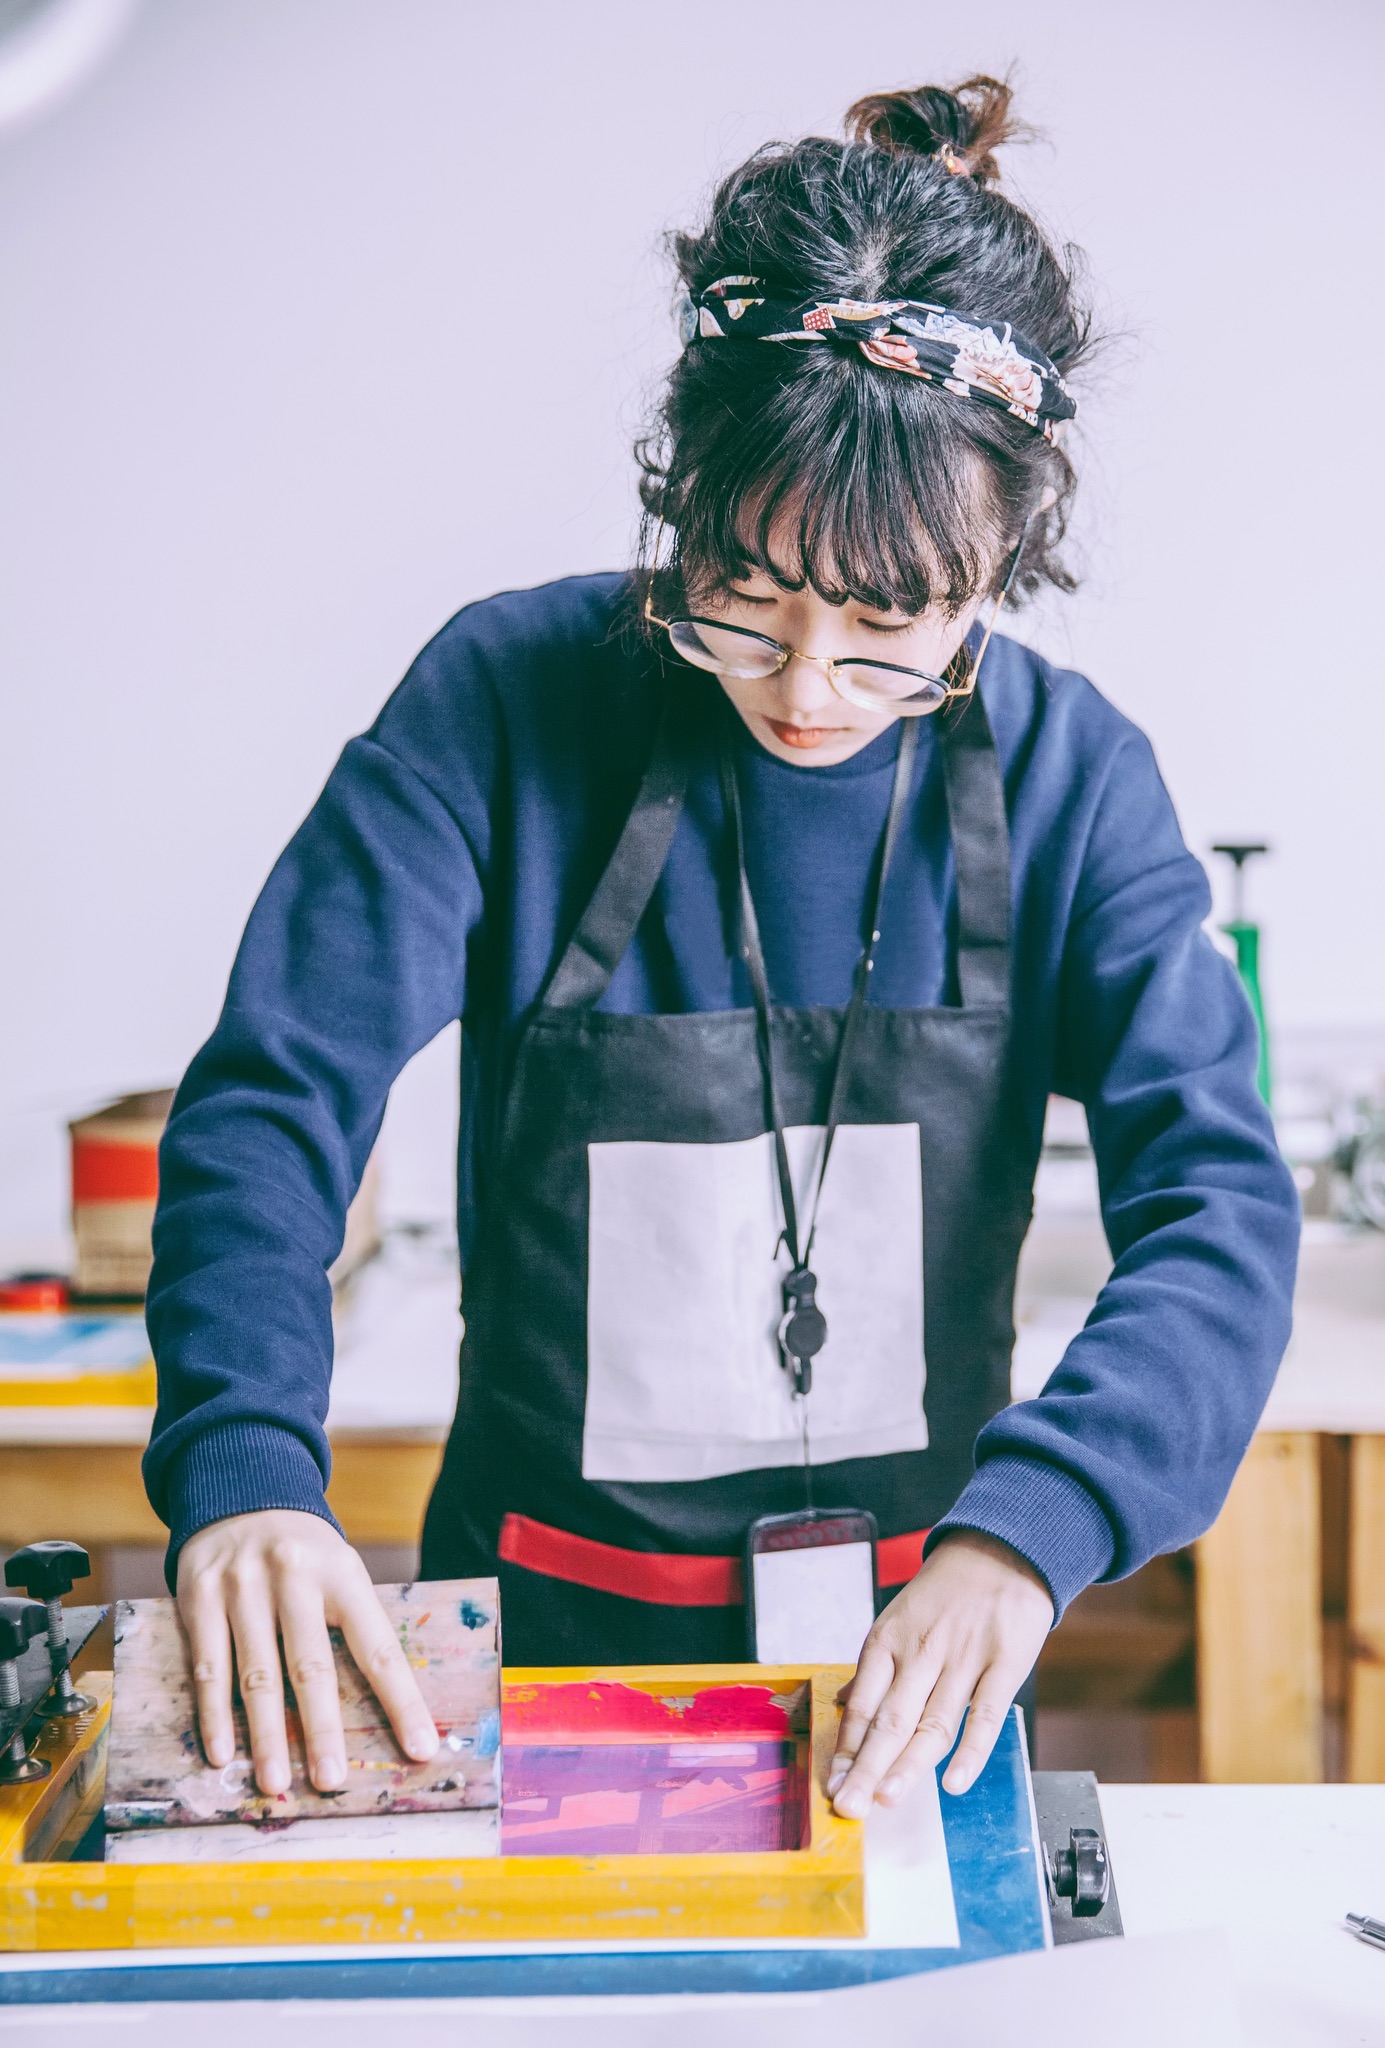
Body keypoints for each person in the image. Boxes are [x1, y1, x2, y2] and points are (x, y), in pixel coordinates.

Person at [143, 76, 1299, 1822]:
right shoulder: (505, 702)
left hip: (919, 1657)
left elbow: (1218, 1208)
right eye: (741, 601)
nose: (806, 689)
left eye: (889, 627)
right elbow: (275, 1098)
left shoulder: (1070, 779)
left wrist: (1033, 1531)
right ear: (679, 498)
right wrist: (242, 1467)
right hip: (530, 1647)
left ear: (1004, 556)